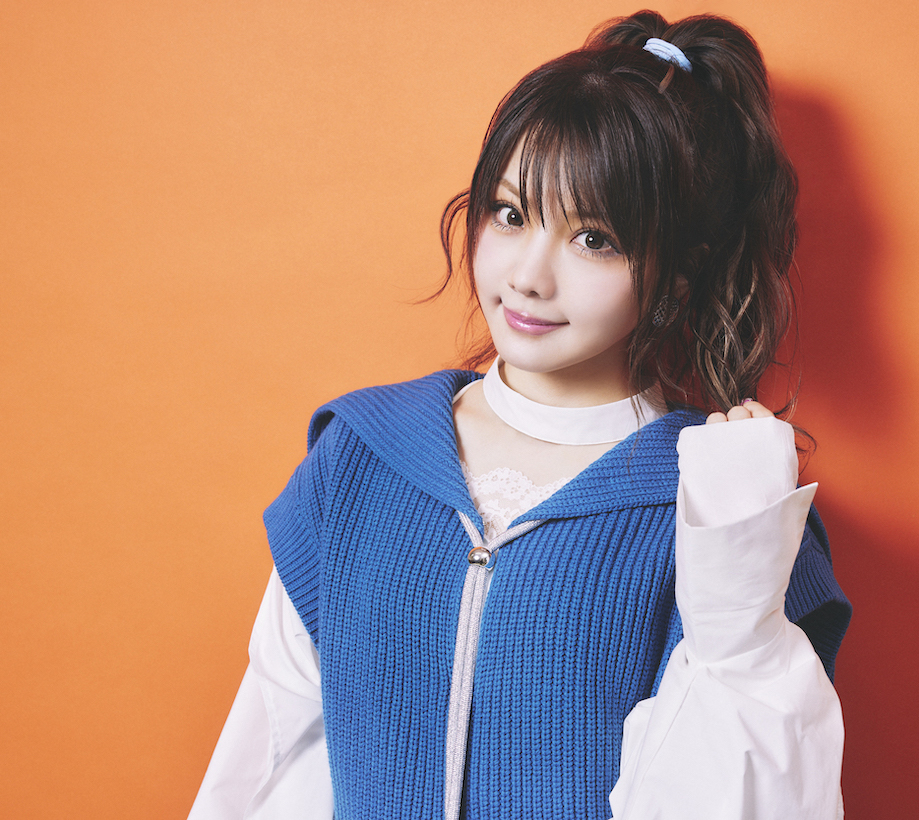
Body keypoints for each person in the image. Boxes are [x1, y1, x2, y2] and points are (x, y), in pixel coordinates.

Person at [188, 10, 851, 820]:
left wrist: (735, 555)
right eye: (511, 213)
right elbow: (273, 759)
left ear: (679, 276)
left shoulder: (714, 509)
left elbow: (738, 792)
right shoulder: (361, 456)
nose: (529, 276)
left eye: (594, 238)